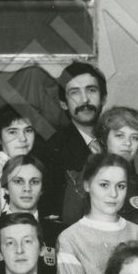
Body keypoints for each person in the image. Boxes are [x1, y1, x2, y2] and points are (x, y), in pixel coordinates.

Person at [56, 154, 138, 274]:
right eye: (104, 185)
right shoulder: (70, 239)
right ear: (87, 185)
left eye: (120, 186)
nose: (113, 194)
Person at [35, 61, 109, 227]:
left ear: (104, 98)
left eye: (91, 90)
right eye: (74, 93)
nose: (84, 99)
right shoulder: (49, 146)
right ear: (63, 103)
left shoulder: (117, 140)